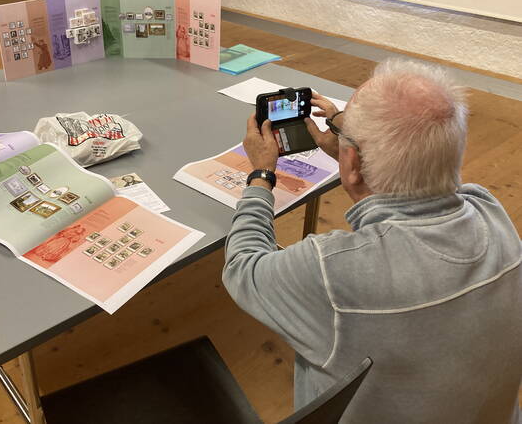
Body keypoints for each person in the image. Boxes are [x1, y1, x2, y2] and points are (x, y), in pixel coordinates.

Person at [223, 58, 522, 423]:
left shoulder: (334, 269)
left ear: (351, 162)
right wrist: (352, 151)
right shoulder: (491, 212)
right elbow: (438, 185)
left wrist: (261, 174)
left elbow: (242, 266)